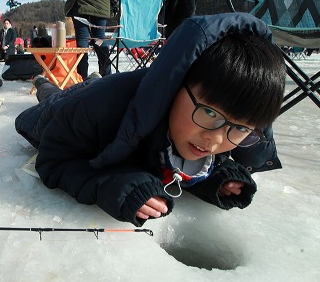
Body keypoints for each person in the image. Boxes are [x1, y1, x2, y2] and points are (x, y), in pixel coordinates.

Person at [15, 13, 286, 226]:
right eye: (211, 113)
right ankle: (41, 81)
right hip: (68, 109)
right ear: (176, 84)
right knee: (55, 93)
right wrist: (111, 185)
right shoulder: (98, 110)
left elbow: (191, 160)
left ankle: (88, 80)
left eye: (239, 128)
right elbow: (54, 160)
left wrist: (218, 177)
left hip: (109, 90)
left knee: (89, 85)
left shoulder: (204, 127)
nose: (215, 140)